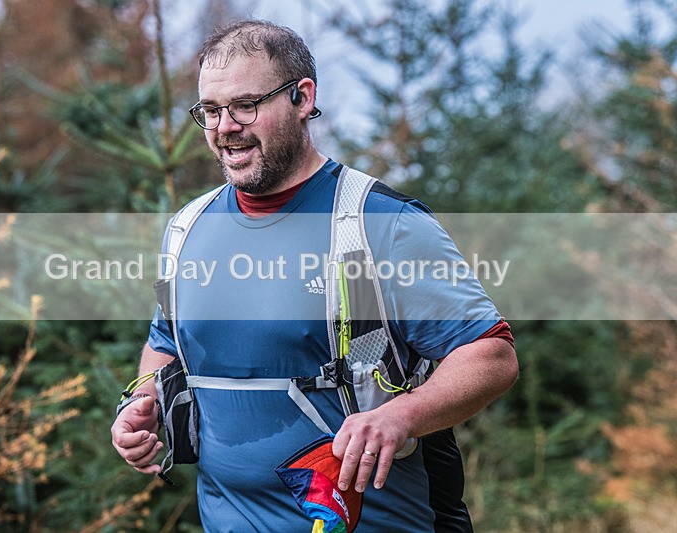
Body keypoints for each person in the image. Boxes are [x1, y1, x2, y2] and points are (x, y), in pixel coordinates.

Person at [111, 19, 518, 532]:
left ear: (303, 98)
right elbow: (167, 342)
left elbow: (492, 355)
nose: (224, 127)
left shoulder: (383, 223)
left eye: (245, 105)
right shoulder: (187, 229)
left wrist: (399, 416)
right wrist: (142, 403)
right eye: (210, 111)